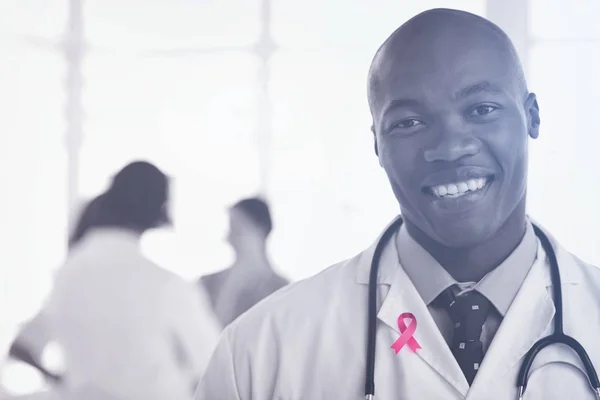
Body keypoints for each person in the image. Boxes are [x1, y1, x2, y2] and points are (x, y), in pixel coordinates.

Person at [195, 9, 600, 400]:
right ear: (377, 144)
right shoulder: (260, 352)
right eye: (409, 122)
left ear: (532, 117)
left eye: (482, 110)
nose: (450, 148)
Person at [42, 161, 220, 400]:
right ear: (159, 209)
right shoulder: (163, 284)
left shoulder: (67, 274)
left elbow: (23, 346)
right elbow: (217, 364)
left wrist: (68, 385)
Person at [6, 195, 104, 384]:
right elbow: (21, 347)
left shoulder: (73, 288)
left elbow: (21, 347)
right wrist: (60, 381)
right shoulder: (74, 290)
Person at [199, 197, 289, 328]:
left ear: (260, 230)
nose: (229, 237)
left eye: (237, 229)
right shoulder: (207, 282)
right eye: (231, 229)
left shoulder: (280, 290)